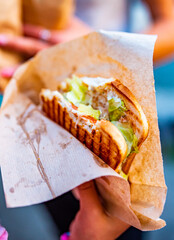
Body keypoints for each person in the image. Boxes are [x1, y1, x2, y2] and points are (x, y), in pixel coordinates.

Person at [0, 0, 174, 239]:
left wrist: (103, 49)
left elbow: (171, 22)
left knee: (116, 223)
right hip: (39, 122)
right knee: (71, 219)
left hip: (110, 107)